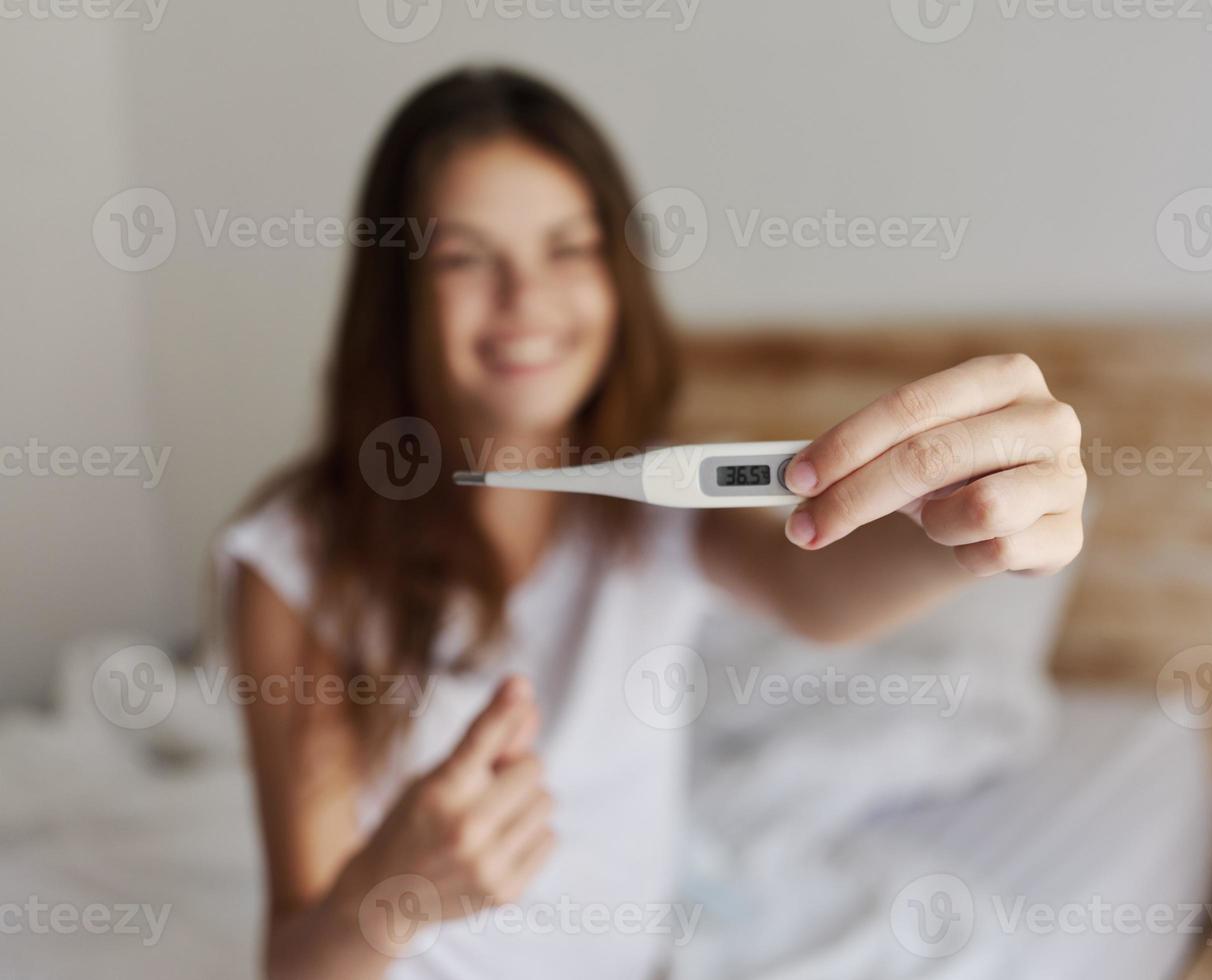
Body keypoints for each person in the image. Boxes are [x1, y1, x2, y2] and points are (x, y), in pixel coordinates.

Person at [220, 66, 1086, 979]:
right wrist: (388, 892)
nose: (526, 301)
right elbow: (296, 964)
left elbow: (820, 592)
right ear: (393, 294)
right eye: (466, 258)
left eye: (568, 249)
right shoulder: (291, 564)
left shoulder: (662, 514)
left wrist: (973, 528)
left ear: (616, 276)